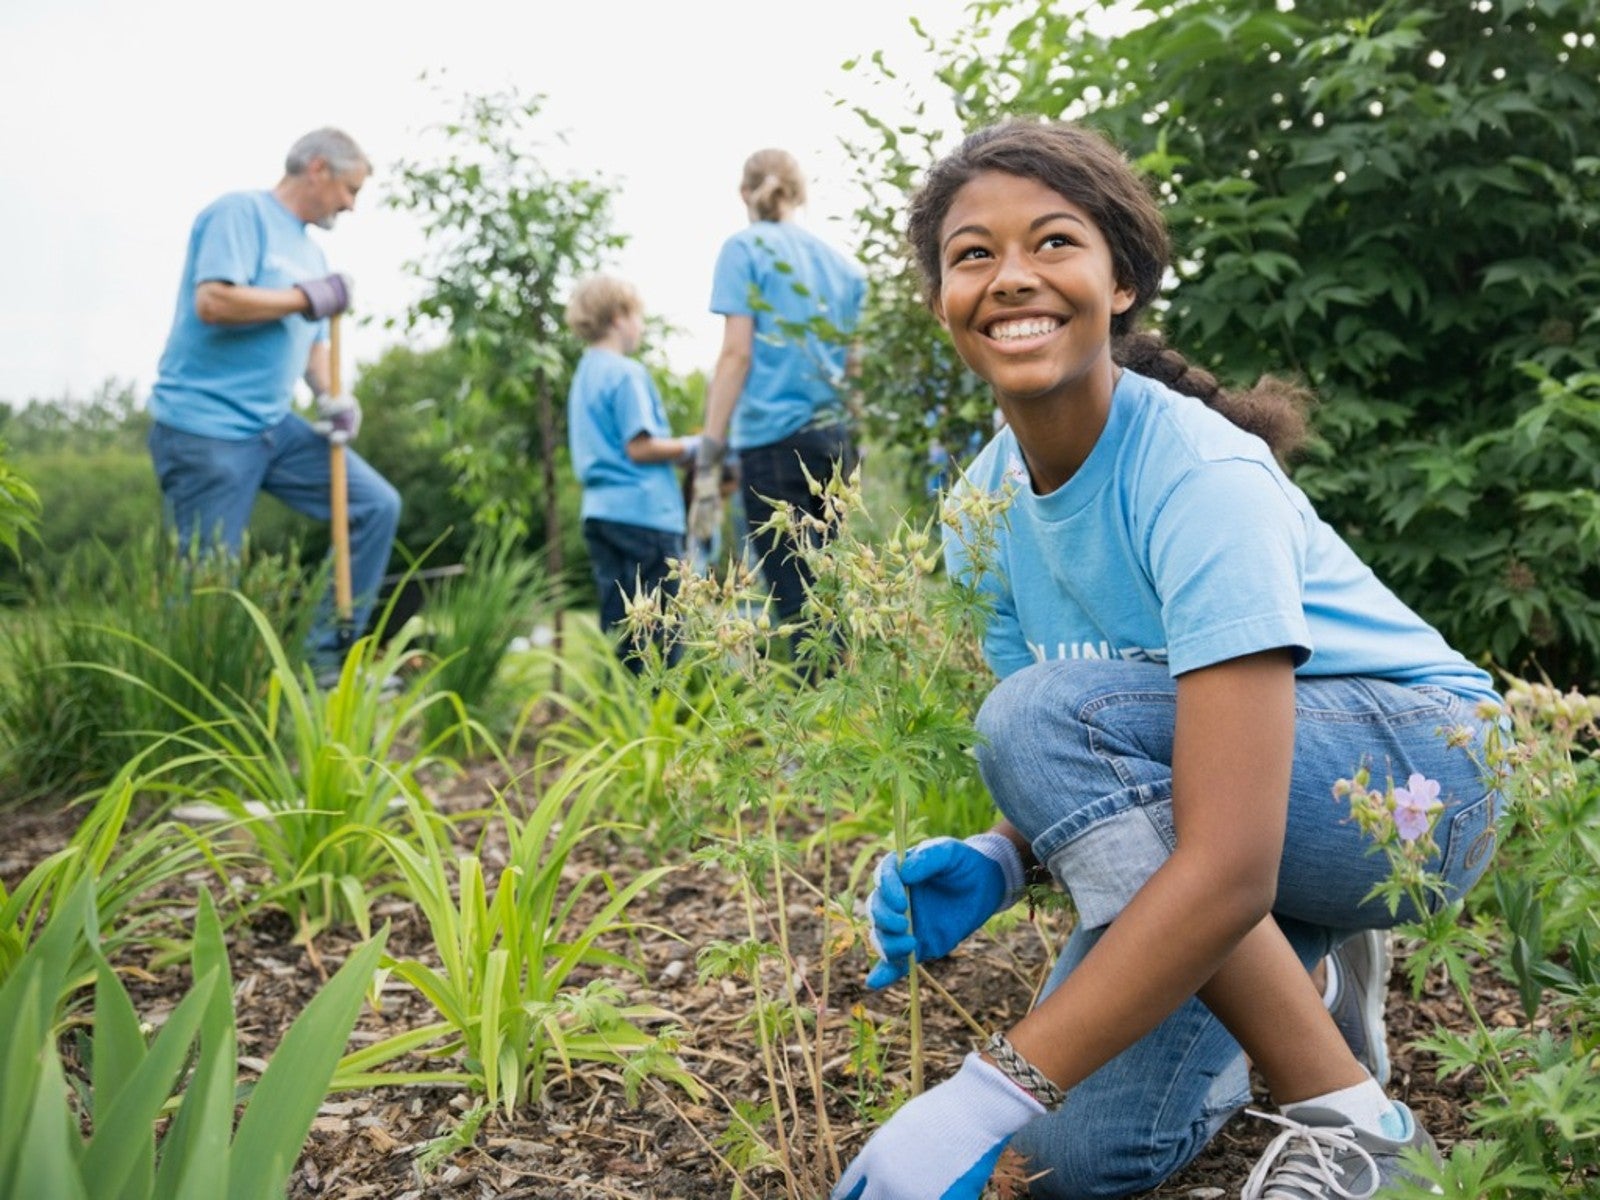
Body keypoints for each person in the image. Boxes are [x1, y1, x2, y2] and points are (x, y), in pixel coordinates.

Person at [834, 118, 1505, 1200]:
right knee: (1079, 1152)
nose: (1011, 278)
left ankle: (1353, 1126)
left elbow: (1201, 834)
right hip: (1242, 799)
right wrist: (1005, 856)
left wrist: (980, 1091)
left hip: (1419, 777)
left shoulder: (1199, 476)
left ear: (1124, 280)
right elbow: (1121, 773)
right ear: (939, 300)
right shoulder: (980, 511)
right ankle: (1304, 967)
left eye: (1053, 243)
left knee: (1036, 720)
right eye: (972, 255)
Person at [146, 127, 401, 684]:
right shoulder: (239, 215)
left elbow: (310, 341)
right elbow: (214, 301)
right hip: (205, 429)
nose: (351, 205)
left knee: (376, 506)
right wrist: (306, 296)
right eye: (350, 189)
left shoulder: (310, 250)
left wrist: (333, 396)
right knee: (206, 584)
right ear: (317, 169)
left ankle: (324, 663)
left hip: (272, 427)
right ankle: (196, 705)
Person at [690, 148, 867, 659]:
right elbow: (853, 370)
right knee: (839, 593)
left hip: (771, 446)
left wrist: (710, 450)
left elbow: (736, 354)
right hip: (836, 445)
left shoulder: (743, 250)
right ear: (799, 193)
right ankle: (855, 718)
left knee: (797, 605)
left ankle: (818, 731)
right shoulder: (844, 270)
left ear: (745, 194)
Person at [565, 275, 699, 672]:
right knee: (661, 636)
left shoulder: (584, 374)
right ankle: (659, 726)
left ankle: (623, 724)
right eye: (638, 316)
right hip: (644, 516)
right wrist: (695, 447)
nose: (640, 326)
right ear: (620, 316)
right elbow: (639, 447)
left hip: (601, 515)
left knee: (623, 632)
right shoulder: (625, 373)